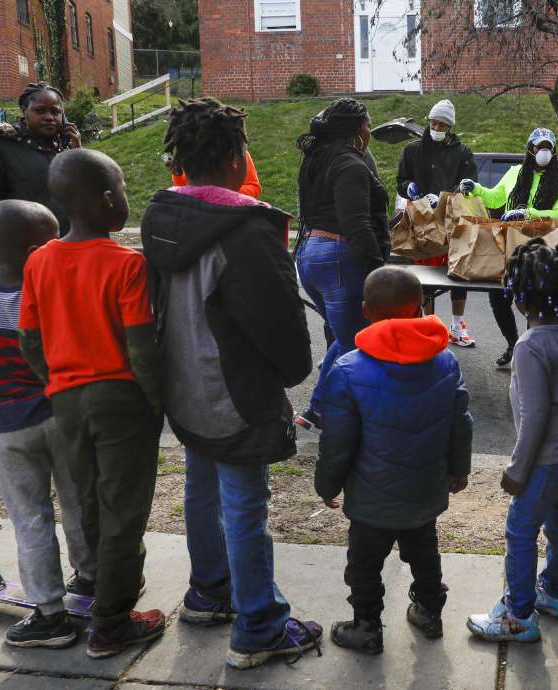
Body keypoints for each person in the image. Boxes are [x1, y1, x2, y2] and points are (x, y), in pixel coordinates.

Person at [142, 98, 323, 669]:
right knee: (245, 506)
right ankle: (259, 628)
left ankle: (209, 592)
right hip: (237, 395)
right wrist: (295, 371)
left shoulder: (161, 216)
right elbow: (281, 330)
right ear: (228, 156)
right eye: (242, 149)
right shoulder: (247, 230)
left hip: (184, 390)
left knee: (201, 488)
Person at [18, 149, 166, 658]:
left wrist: (58, 380)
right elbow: (142, 347)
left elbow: (30, 341)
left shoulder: (38, 261)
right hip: (120, 398)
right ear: (108, 200)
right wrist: (155, 402)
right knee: (124, 510)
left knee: (88, 505)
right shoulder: (128, 263)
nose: (125, 197)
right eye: (123, 188)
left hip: (66, 400)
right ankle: (112, 623)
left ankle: (104, 592)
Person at [0, 200, 98, 648]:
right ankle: (90, 578)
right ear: (40, 251)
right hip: (62, 417)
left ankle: (50, 614)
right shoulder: (54, 297)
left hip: (9, 425)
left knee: (30, 517)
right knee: (78, 503)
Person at [315, 267, 473, 655]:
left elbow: (337, 441)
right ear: (420, 308)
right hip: (424, 488)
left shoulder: (348, 370)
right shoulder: (446, 362)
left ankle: (366, 625)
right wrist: (458, 469)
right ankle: (430, 612)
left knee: (365, 563)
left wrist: (328, 484)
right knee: (424, 552)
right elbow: (460, 424)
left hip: (372, 500)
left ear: (367, 310)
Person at [467, 240, 558, 643]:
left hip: (545, 459)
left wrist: (517, 469)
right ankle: (555, 591)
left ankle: (518, 614)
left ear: (518, 299)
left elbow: (535, 416)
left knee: (520, 531)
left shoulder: (529, 346)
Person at [294, 98, 389, 433]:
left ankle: (318, 410)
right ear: (355, 130)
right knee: (357, 341)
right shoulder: (350, 165)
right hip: (338, 255)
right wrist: (378, 271)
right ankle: (340, 416)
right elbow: (357, 225)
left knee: (347, 333)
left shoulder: (318, 158)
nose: (370, 130)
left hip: (310, 255)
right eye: (367, 124)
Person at [459, 128, 558, 367]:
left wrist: (527, 213)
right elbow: (494, 199)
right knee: (498, 297)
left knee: (536, 299)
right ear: (530, 149)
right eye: (539, 146)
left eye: (548, 147)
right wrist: (475, 189)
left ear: (554, 151)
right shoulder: (514, 173)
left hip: (542, 248)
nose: (543, 152)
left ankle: (536, 348)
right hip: (510, 244)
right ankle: (513, 343)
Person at [397, 99, 479, 348]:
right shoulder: (413, 150)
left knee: (457, 273)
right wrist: (409, 188)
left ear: (449, 127)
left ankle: (457, 325)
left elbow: (470, 184)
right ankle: (428, 324)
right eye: (434, 122)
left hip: (452, 221)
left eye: (442, 124)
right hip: (423, 221)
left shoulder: (462, 152)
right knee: (425, 275)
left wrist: (449, 195)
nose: (436, 127)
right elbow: (402, 180)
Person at [0, 82, 81, 237]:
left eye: (55, 112)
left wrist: (79, 157)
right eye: (40, 110)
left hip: (65, 252)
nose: (49, 117)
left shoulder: (64, 153)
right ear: (24, 111)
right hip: (23, 252)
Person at [168, 149, 262, 199]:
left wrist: (219, 193)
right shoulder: (191, 154)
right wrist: (178, 175)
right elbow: (187, 189)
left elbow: (254, 187)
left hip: (235, 214)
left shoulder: (236, 152)